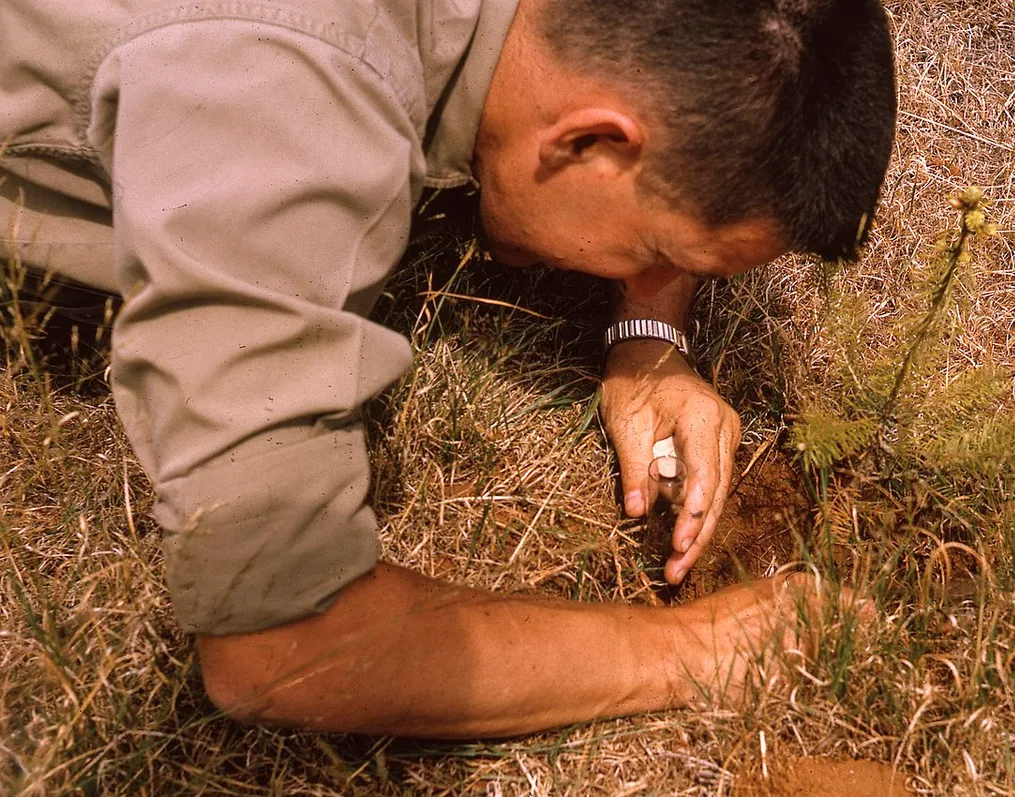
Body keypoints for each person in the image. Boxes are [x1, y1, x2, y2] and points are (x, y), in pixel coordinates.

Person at [0, 0, 896, 736]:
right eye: (663, 253)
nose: (654, 271)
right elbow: (282, 646)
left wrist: (649, 331)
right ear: (587, 142)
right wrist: (694, 650)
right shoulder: (287, 105)